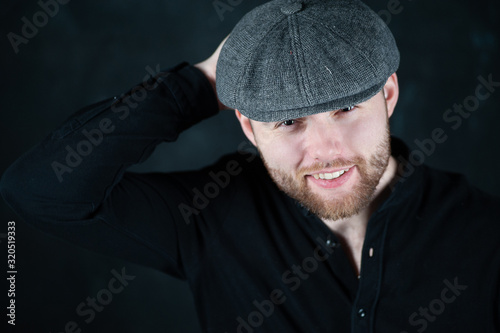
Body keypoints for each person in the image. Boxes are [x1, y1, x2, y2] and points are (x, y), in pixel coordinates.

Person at [1, 0, 499, 332]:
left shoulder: (484, 233)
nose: (326, 150)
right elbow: (40, 189)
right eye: (287, 122)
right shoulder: (212, 214)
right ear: (248, 126)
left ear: (387, 95)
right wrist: (203, 83)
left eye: (346, 109)